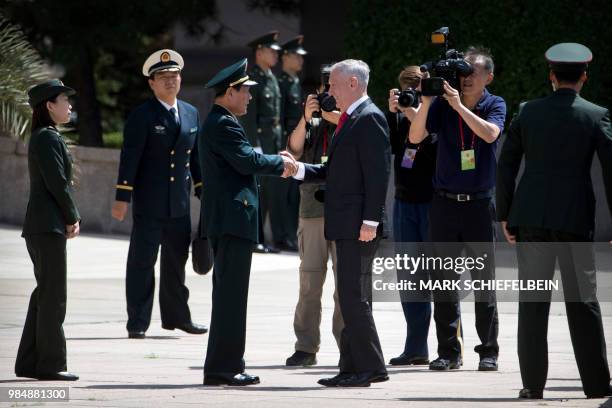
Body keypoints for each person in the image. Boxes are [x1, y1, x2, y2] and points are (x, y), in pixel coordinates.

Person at [496, 42, 612, 399]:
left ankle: (533, 386)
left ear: (551, 76)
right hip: (574, 219)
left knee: (533, 303)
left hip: (530, 217)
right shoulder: (596, 114)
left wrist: (505, 214)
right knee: (583, 301)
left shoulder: (528, 112)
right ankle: (595, 385)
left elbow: (507, 165)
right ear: (584, 78)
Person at [292, 59, 390, 387]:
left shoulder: (370, 118)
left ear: (352, 84)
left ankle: (366, 368)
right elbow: (333, 170)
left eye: (333, 84)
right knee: (350, 298)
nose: (328, 90)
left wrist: (371, 221)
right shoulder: (350, 118)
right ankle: (358, 366)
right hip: (346, 223)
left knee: (352, 299)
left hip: (358, 226)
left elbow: (378, 176)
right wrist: (299, 170)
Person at [199, 58, 298, 386]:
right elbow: (246, 160)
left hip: (229, 221)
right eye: (246, 92)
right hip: (232, 221)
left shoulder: (219, 120)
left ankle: (223, 365)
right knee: (230, 299)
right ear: (230, 92)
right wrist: (279, 161)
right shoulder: (223, 123)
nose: (250, 98)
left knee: (229, 297)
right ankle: (225, 368)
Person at [409, 46, 505, 371]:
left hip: (478, 205)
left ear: (488, 77)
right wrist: (426, 100)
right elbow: (416, 135)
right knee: (443, 282)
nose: (464, 79)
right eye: (462, 73)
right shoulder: (443, 105)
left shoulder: (494, 104)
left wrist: (459, 106)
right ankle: (449, 352)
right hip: (444, 204)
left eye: (472, 72)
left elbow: (490, 134)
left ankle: (488, 350)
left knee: (483, 282)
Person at [111, 49, 207, 339]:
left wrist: (203, 190)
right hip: (149, 203)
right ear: (151, 83)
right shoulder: (143, 116)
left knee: (176, 263)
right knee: (142, 263)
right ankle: (137, 322)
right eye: (163, 77)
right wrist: (122, 198)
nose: (170, 81)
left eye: (174, 76)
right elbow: (130, 158)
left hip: (179, 202)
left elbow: (196, 158)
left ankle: (177, 318)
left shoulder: (190, 113)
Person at [16, 79, 81, 381]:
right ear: (49, 106)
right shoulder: (47, 138)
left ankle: (30, 362)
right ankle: (51, 364)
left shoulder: (45, 136)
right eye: (63, 100)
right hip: (48, 225)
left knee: (45, 293)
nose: (69, 105)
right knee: (54, 296)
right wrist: (72, 215)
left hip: (42, 226)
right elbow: (57, 183)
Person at [285, 64, 343, 367]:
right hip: (312, 211)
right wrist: (308, 117)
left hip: (345, 213)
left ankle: (348, 345)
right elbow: (293, 151)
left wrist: (334, 114)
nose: (328, 94)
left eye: (334, 87)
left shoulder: (352, 117)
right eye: (325, 88)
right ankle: (305, 346)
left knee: (345, 287)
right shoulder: (313, 119)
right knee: (310, 282)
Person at [386, 66, 436, 366]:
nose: (410, 95)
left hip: (432, 202)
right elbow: (392, 147)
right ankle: (415, 347)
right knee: (410, 278)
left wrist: (412, 111)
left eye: (415, 89)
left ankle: (449, 346)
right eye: (405, 89)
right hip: (404, 201)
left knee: (441, 278)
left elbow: (431, 143)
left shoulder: (436, 109)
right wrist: (393, 113)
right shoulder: (401, 112)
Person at [240, 31, 289, 253]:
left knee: (272, 191)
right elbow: (249, 116)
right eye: (271, 51)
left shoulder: (271, 77)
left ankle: (270, 237)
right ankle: (254, 237)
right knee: (259, 191)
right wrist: (254, 145)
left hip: (274, 142)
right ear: (259, 52)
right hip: (260, 142)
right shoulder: (255, 78)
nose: (276, 55)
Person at [277, 35, 308, 252]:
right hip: (285, 142)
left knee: (293, 193)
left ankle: (290, 233)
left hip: (296, 141)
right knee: (284, 194)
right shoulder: (281, 82)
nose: (301, 60)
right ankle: (283, 235)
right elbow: (278, 117)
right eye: (296, 56)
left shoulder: (295, 82)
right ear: (285, 57)